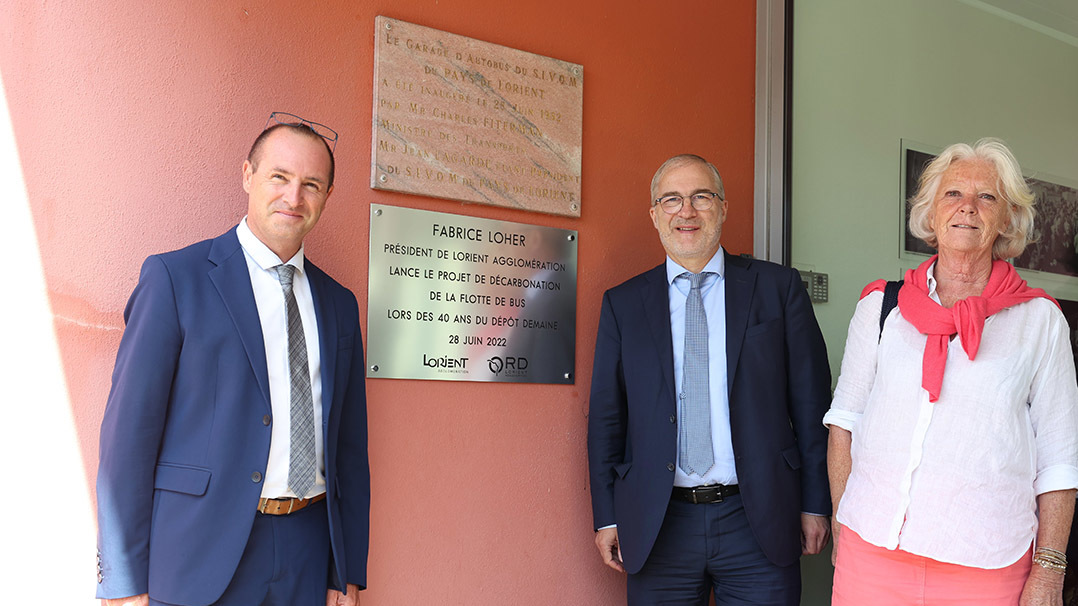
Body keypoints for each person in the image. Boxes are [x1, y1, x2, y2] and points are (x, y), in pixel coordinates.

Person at [95, 113, 369, 606]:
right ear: (248, 175)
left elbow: (349, 450)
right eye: (279, 177)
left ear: (327, 196)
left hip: (307, 553)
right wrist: (122, 579)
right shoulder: (175, 280)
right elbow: (127, 440)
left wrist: (345, 570)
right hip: (197, 554)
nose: (294, 197)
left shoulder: (339, 305)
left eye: (312, 184)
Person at [826, 138, 1078, 605]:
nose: (968, 208)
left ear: (1007, 219)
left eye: (987, 197)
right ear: (931, 211)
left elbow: (1059, 460)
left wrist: (1049, 572)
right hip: (873, 553)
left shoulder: (1040, 321)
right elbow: (845, 423)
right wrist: (843, 522)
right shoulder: (881, 307)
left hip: (987, 564)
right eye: (953, 194)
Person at [587, 154, 832, 605]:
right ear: (654, 215)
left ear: (722, 208)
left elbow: (813, 403)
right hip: (659, 524)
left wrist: (816, 502)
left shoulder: (778, 289)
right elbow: (606, 418)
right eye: (672, 200)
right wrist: (606, 516)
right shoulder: (623, 304)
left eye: (701, 196)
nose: (687, 211)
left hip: (758, 519)